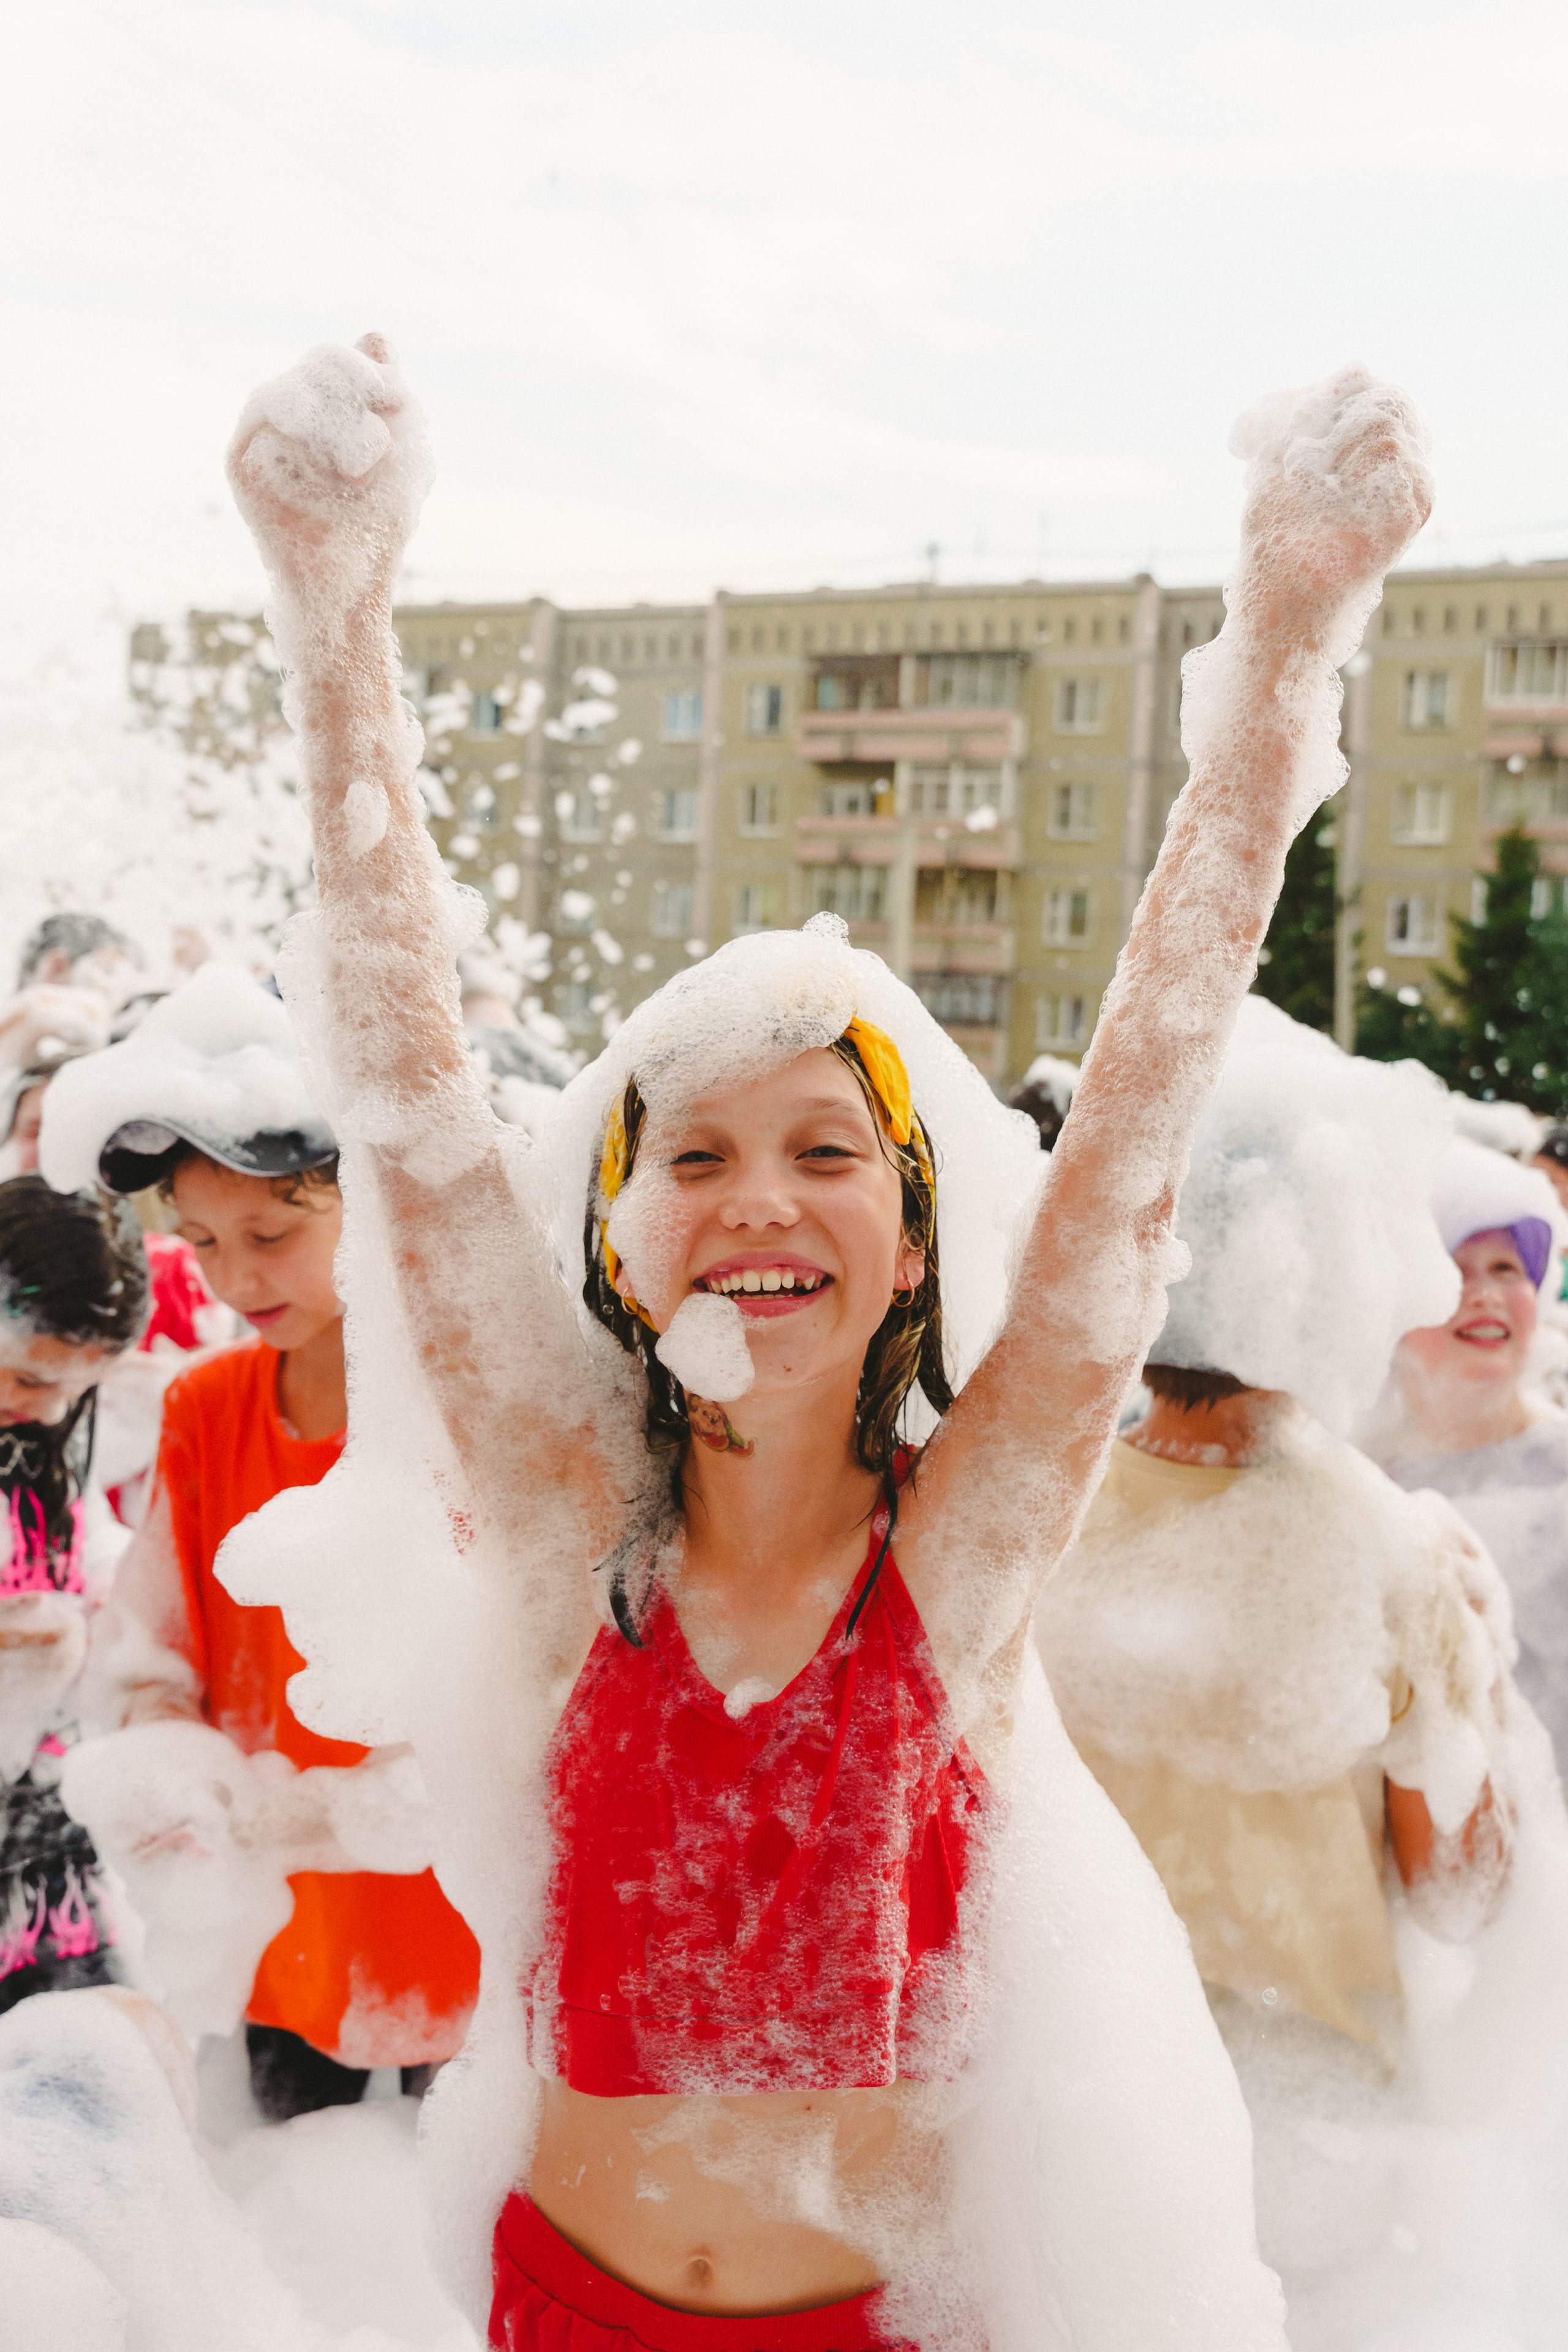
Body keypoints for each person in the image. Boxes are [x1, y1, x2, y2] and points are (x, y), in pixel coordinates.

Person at [224, 337, 1431, 2348]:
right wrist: (338, 620)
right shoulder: (562, 1543)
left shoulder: (944, 1583)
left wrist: (1285, 649)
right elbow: (422, 1140)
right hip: (561, 2305)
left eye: (824, 1154)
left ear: (905, 1248)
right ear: (624, 1244)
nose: (760, 1196)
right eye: (693, 1151)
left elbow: (1125, 1171)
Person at [42, 963, 481, 2121]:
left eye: (273, 1233)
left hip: (473, 1946)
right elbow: (149, 1656)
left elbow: (523, 1694)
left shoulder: (472, 1418)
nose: (235, 1280)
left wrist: (353, 1813)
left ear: (374, 1204)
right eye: (202, 1243)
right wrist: (178, 1774)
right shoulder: (207, 1409)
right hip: (277, 1944)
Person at [0, 1174, 149, 2015]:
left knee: (80, 2042)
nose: (43, 1407)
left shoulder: (35, 1433)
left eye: (72, 1387)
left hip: (38, 1826)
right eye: (23, 1374)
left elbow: (79, 1556)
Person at [1371, 1139, 1568, 1772]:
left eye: (1507, 1270)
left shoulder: (1557, 1474)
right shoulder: (1357, 1469)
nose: (1482, 1293)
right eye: (1454, 1269)